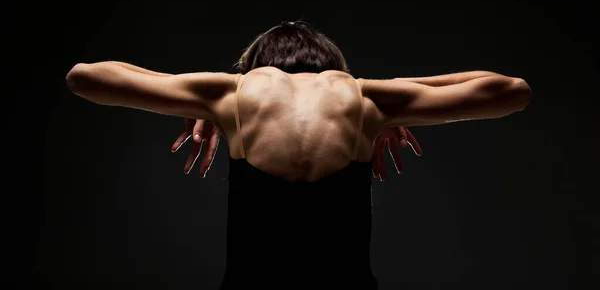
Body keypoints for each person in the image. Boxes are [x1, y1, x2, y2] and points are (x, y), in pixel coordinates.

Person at [66, 21, 532, 289]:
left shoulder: (232, 93)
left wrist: (199, 97)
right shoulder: (366, 98)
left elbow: (85, 76)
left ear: (256, 64)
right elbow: (511, 91)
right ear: (333, 65)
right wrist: (392, 101)